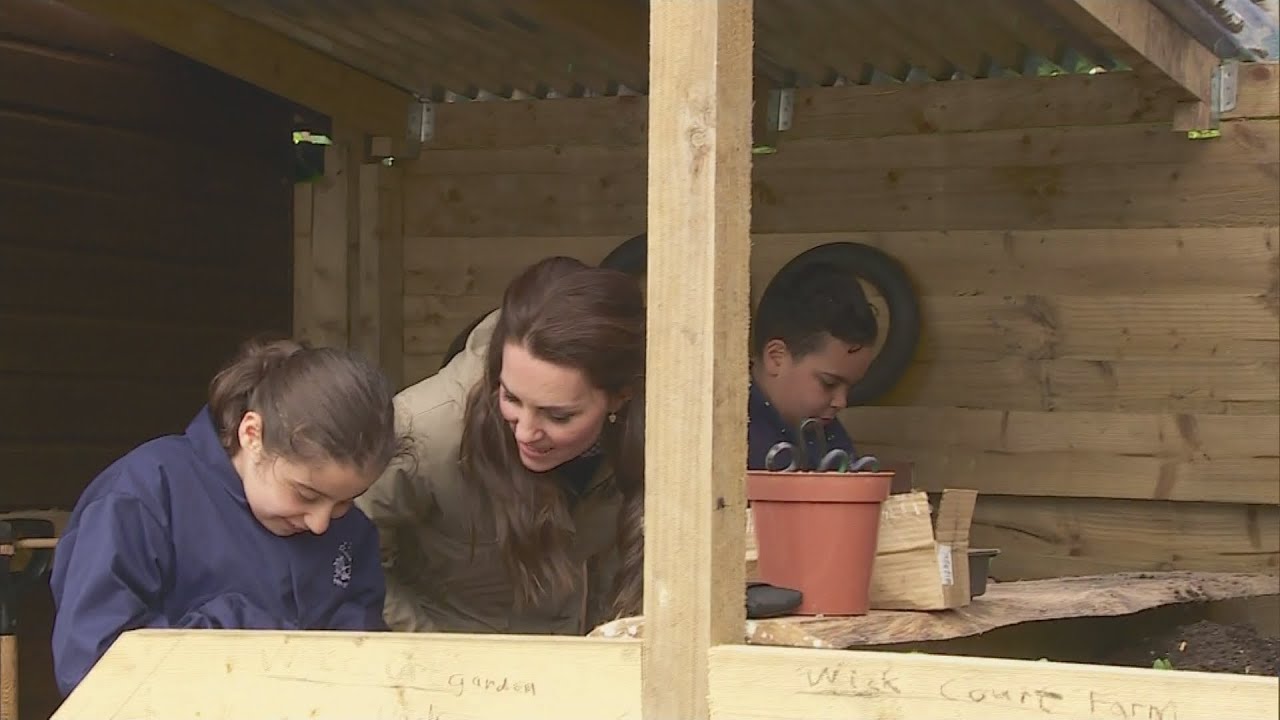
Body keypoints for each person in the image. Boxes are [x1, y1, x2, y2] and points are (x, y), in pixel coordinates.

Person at [49, 338, 400, 696]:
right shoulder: (141, 496)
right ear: (252, 435)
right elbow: (91, 667)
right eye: (306, 494)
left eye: (344, 502)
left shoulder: (353, 532)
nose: (321, 523)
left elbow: (363, 653)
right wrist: (237, 633)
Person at [357, 256, 645, 635]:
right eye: (510, 398)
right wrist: (431, 649)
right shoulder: (424, 428)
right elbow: (341, 555)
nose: (526, 431)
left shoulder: (664, 427)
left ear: (619, 397)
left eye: (557, 416)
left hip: (591, 670)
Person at [747, 263, 879, 470]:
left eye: (850, 388)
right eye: (829, 383)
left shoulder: (827, 435)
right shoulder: (728, 435)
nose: (841, 402)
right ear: (776, 358)